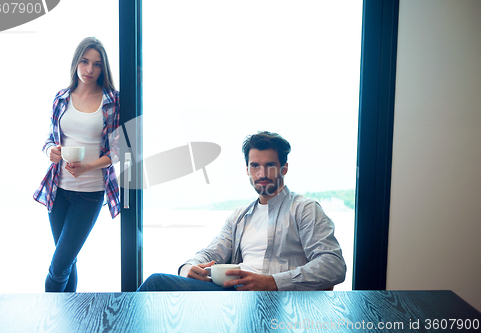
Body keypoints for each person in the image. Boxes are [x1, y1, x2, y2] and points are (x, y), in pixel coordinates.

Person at [138, 131, 346, 292]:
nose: (262, 173)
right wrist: (188, 267)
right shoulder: (239, 216)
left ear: (284, 168)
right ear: (247, 169)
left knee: (157, 283)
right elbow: (211, 253)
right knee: (158, 283)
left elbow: (333, 265)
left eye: (270, 165)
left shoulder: (304, 209)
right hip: (233, 295)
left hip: (281, 299)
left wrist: (272, 282)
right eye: (255, 165)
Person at [33, 37, 120, 292]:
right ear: (76, 62)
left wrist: (89, 167)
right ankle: (68, 322)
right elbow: (49, 138)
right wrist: (50, 150)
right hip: (57, 190)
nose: (89, 69)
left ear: (103, 69)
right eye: (85, 62)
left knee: (59, 266)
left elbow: (118, 150)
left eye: (96, 64)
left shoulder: (112, 101)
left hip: (90, 193)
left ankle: (47, 318)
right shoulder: (61, 97)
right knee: (69, 261)